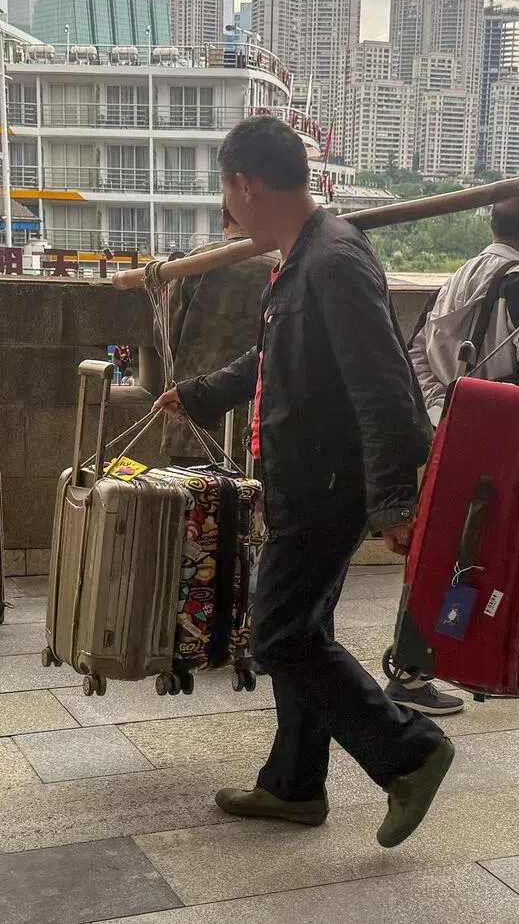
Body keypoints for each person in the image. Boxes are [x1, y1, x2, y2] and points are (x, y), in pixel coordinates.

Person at [154, 114, 452, 848]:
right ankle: (293, 785)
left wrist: (394, 501)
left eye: (226, 195)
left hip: (326, 487)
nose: (228, 213)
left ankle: (409, 752)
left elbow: (383, 388)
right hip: (301, 480)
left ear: (247, 184)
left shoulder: (334, 259)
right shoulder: (303, 257)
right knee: (303, 629)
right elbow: (272, 361)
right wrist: (199, 394)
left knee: (280, 634)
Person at [383, 194, 519, 718]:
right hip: (507, 445)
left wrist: (445, 411)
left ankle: (415, 665)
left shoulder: (457, 278)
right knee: (497, 553)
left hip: (457, 436)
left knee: (441, 549)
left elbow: (414, 351)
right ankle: (486, 659)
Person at [408, 194, 519, 428]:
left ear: (493, 226)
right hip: (506, 433)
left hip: (448, 430)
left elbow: (414, 357)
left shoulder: (452, 283)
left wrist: (444, 408)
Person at [157, 204, 278, 467]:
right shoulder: (283, 264)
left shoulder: (196, 263)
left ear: (224, 218)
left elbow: (164, 336)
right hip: (260, 426)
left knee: (191, 492)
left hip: (191, 420)